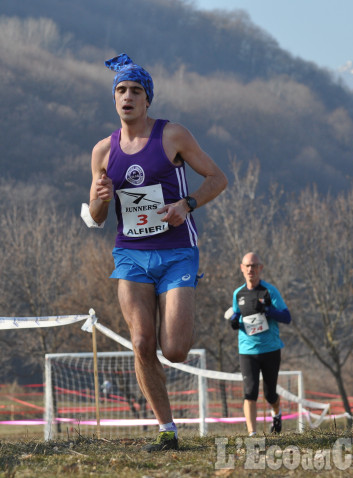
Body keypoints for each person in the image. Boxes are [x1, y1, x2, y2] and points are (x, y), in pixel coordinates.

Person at [85, 53, 227, 452]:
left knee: (175, 349)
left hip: (177, 252)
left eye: (135, 91)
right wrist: (98, 199)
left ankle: (168, 415)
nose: (127, 97)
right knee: (142, 343)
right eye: (121, 91)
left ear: (148, 100)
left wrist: (187, 204)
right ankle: (167, 430)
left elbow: (218, 179)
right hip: (130, 253)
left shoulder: (172, 136)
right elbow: (96, 217)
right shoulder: (102, 151)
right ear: (114, 100)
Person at [228, 252, 291, 436]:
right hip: (247, 350)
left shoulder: (269, 291)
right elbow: (236, 314)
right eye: (247, 266)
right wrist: (233, 320)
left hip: (270, 349)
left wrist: (268, 310)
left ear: (260, 268)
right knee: (250, 392)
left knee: (270, 394)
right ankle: (252, 434)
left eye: (254, 266)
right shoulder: (238, 294)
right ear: (242, 268)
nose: (251, 269)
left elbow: (287, 317)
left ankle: (277, 414)